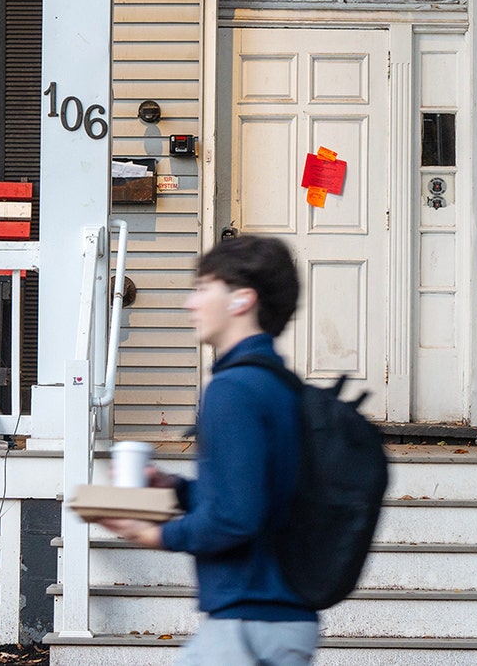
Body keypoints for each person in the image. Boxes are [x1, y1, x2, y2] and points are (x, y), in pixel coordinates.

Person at [99, 235, 318, 665]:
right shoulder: (279, 384)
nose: (190, 304)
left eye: (202, 289)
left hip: (246, 623)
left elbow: (235, 518)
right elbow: (254, 495)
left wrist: (152, 533)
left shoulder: (232, 389)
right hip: (283, 617)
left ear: (241, 300)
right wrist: (177, 489)